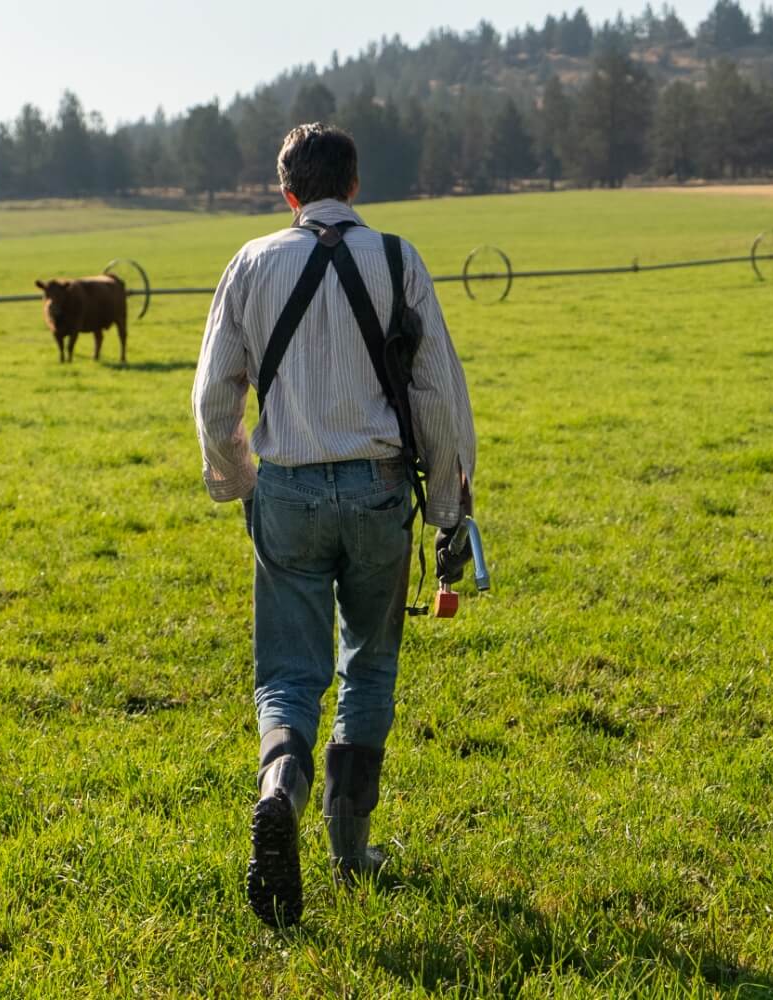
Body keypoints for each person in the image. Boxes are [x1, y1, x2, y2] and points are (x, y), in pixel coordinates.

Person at [190, 123, 476, 930]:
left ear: (288, 193)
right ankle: (351, 851)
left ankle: (279, 788)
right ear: (354, 186)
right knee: (371, 665)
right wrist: (451, 511)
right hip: (384, 492)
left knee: (288, 674)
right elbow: (439, 398)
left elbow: (216, 399)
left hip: (287, 491)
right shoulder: (398, 258)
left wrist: (241, 481)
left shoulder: (250, 262)